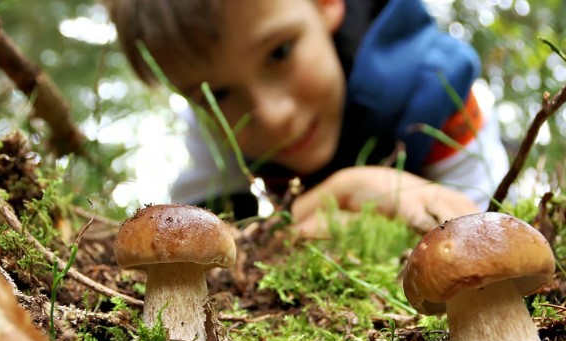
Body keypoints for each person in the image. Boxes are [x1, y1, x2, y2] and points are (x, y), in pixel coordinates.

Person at [108, 0, 509, 234]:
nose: (273, 116)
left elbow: (483, 235)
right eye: (218, 95)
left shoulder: (436, 87)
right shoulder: (214, 129)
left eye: (279, 53)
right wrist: (342, 193)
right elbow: (213, 243)